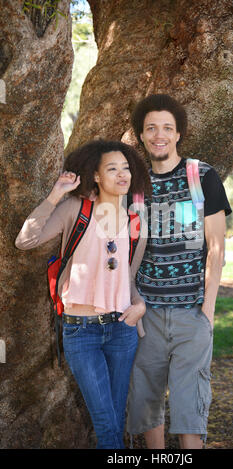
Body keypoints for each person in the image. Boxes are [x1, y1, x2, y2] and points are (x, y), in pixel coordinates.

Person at [15, 139, 152, 449]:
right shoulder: (76, 208)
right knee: (106, 421)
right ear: (95, 176)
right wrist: (56, 194)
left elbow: (128, 278)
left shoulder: (135, 221)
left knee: (116, 417)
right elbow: (25, 241)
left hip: (122, 329)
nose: (122, 175)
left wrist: (140, 304)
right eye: (113, 169)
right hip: (81, 331)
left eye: (126, 168)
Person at [126, 94, 232, 449]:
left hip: (192, 313)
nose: (160, 135)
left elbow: (216, 251)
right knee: (145, 400)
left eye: (167, 128)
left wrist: (208, 313)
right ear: (141, 135)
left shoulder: (202, 177)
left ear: (178, 134)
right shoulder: (133, 185)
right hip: (147, 316)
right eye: (151, 128)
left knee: (191, 404)